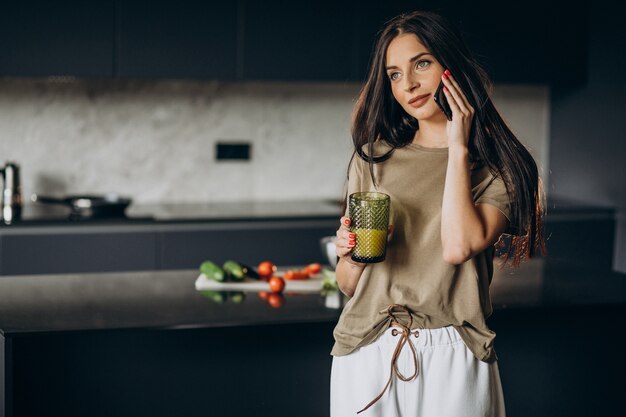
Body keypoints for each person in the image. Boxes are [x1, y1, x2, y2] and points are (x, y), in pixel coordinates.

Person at [330, 10, 547, 417]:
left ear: (452, 66)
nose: (407, 84)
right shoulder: (373, 159)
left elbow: (457, 246)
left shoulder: (498, 169)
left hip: (454, 350)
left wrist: (458, 146)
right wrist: (350, 254)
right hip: (366, 346)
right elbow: (346, 284)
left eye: (422, 64)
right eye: (394, 74)